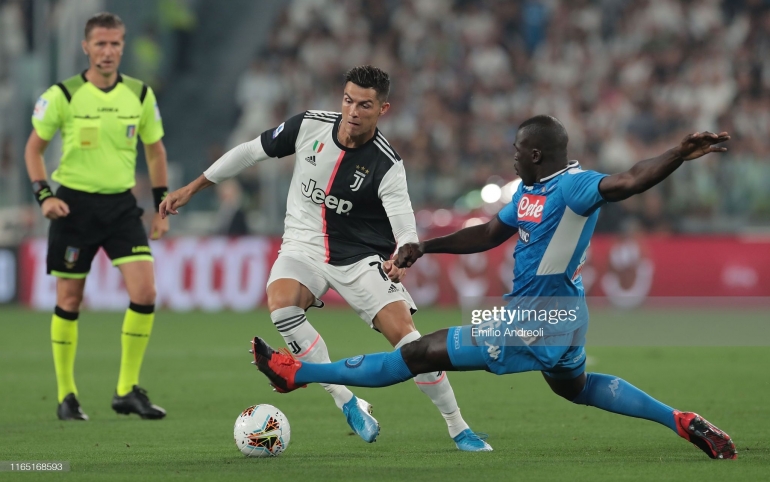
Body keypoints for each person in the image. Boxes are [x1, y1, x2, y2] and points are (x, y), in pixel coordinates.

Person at [249, 115, 737, 460]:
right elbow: (488, 234)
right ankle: (680, 419)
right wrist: (427, 246)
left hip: (533, 321)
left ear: (536, 153)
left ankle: (299, 375)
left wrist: (678, 152)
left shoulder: (573, 186)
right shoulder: (529, 191)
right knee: (577, 388)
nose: (513, 155)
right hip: (564, 318)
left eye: (517, 149)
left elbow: (629, 181)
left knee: (421, 354)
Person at [161, 65, 490, 451]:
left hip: (360, 258)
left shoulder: (387, 164)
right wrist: (194, 187)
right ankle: (346, 400)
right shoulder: (308, 126)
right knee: (282, 306)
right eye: (348, 100)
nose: (353, 111)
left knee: (409, 342)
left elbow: (405, 228)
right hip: (302, 246)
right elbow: (251, 152)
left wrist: (402, 256)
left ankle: (457, 426)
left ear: (383, 109)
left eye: (364, 105)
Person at [25, 12, 168, 421]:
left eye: (115, 44)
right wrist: (44, 197)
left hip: (121, 206)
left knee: (145, 292)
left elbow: (155, 151)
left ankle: (126, 390)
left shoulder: (140, 95)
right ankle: (67, 396)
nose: (108, 51)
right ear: (86, 47)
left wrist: (161, 207)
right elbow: (33, 149)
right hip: (73, 207)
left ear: (123, 46)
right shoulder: (63, 95)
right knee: (70, 300)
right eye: (100, 44)